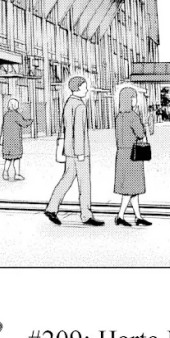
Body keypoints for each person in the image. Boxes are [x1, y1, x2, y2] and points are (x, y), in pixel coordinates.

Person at [44, 76, 103, 227]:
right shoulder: (80, 106)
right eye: (84, 87)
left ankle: (51, 207)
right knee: (84, 183)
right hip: (79, 152)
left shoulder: (69, 103)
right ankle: (86, 215)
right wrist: (81, 153)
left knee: (67, 179)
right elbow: (79, 131)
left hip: (69, 150)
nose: (86, 89)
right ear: (77, 88)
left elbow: (65, 127)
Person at [113, 85, 151, 228]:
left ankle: (138, 216)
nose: (135, 100)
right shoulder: (133, 116)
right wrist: (144, 127)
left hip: (121, 154)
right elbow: (140, 134)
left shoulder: (119, 117)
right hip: (133, 154)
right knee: (131, 188)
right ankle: (120, 216)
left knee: (132, 188)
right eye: (133, 98)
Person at [0, 98, 30, 181]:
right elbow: (24, 124)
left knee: (8, 158)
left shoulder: (6, 115)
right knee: (17, 158)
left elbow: (3, 127)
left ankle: (5, 173)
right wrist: (30, 121)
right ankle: (17, 174)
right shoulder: (17, 115)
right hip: (15, 140)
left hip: (7, 140)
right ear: (15, 106)